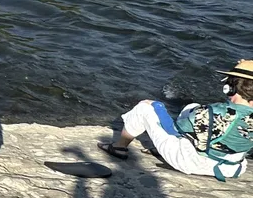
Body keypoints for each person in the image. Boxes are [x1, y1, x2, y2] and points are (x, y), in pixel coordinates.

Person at [102, 61, 253, 180]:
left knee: (146, 107)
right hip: (230, 168)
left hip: (191, 162)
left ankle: (119, 147)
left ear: (229, 88)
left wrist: (158, 108)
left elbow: (176, 128)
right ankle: (159, 149)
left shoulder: (214, 111)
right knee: (193, 107)